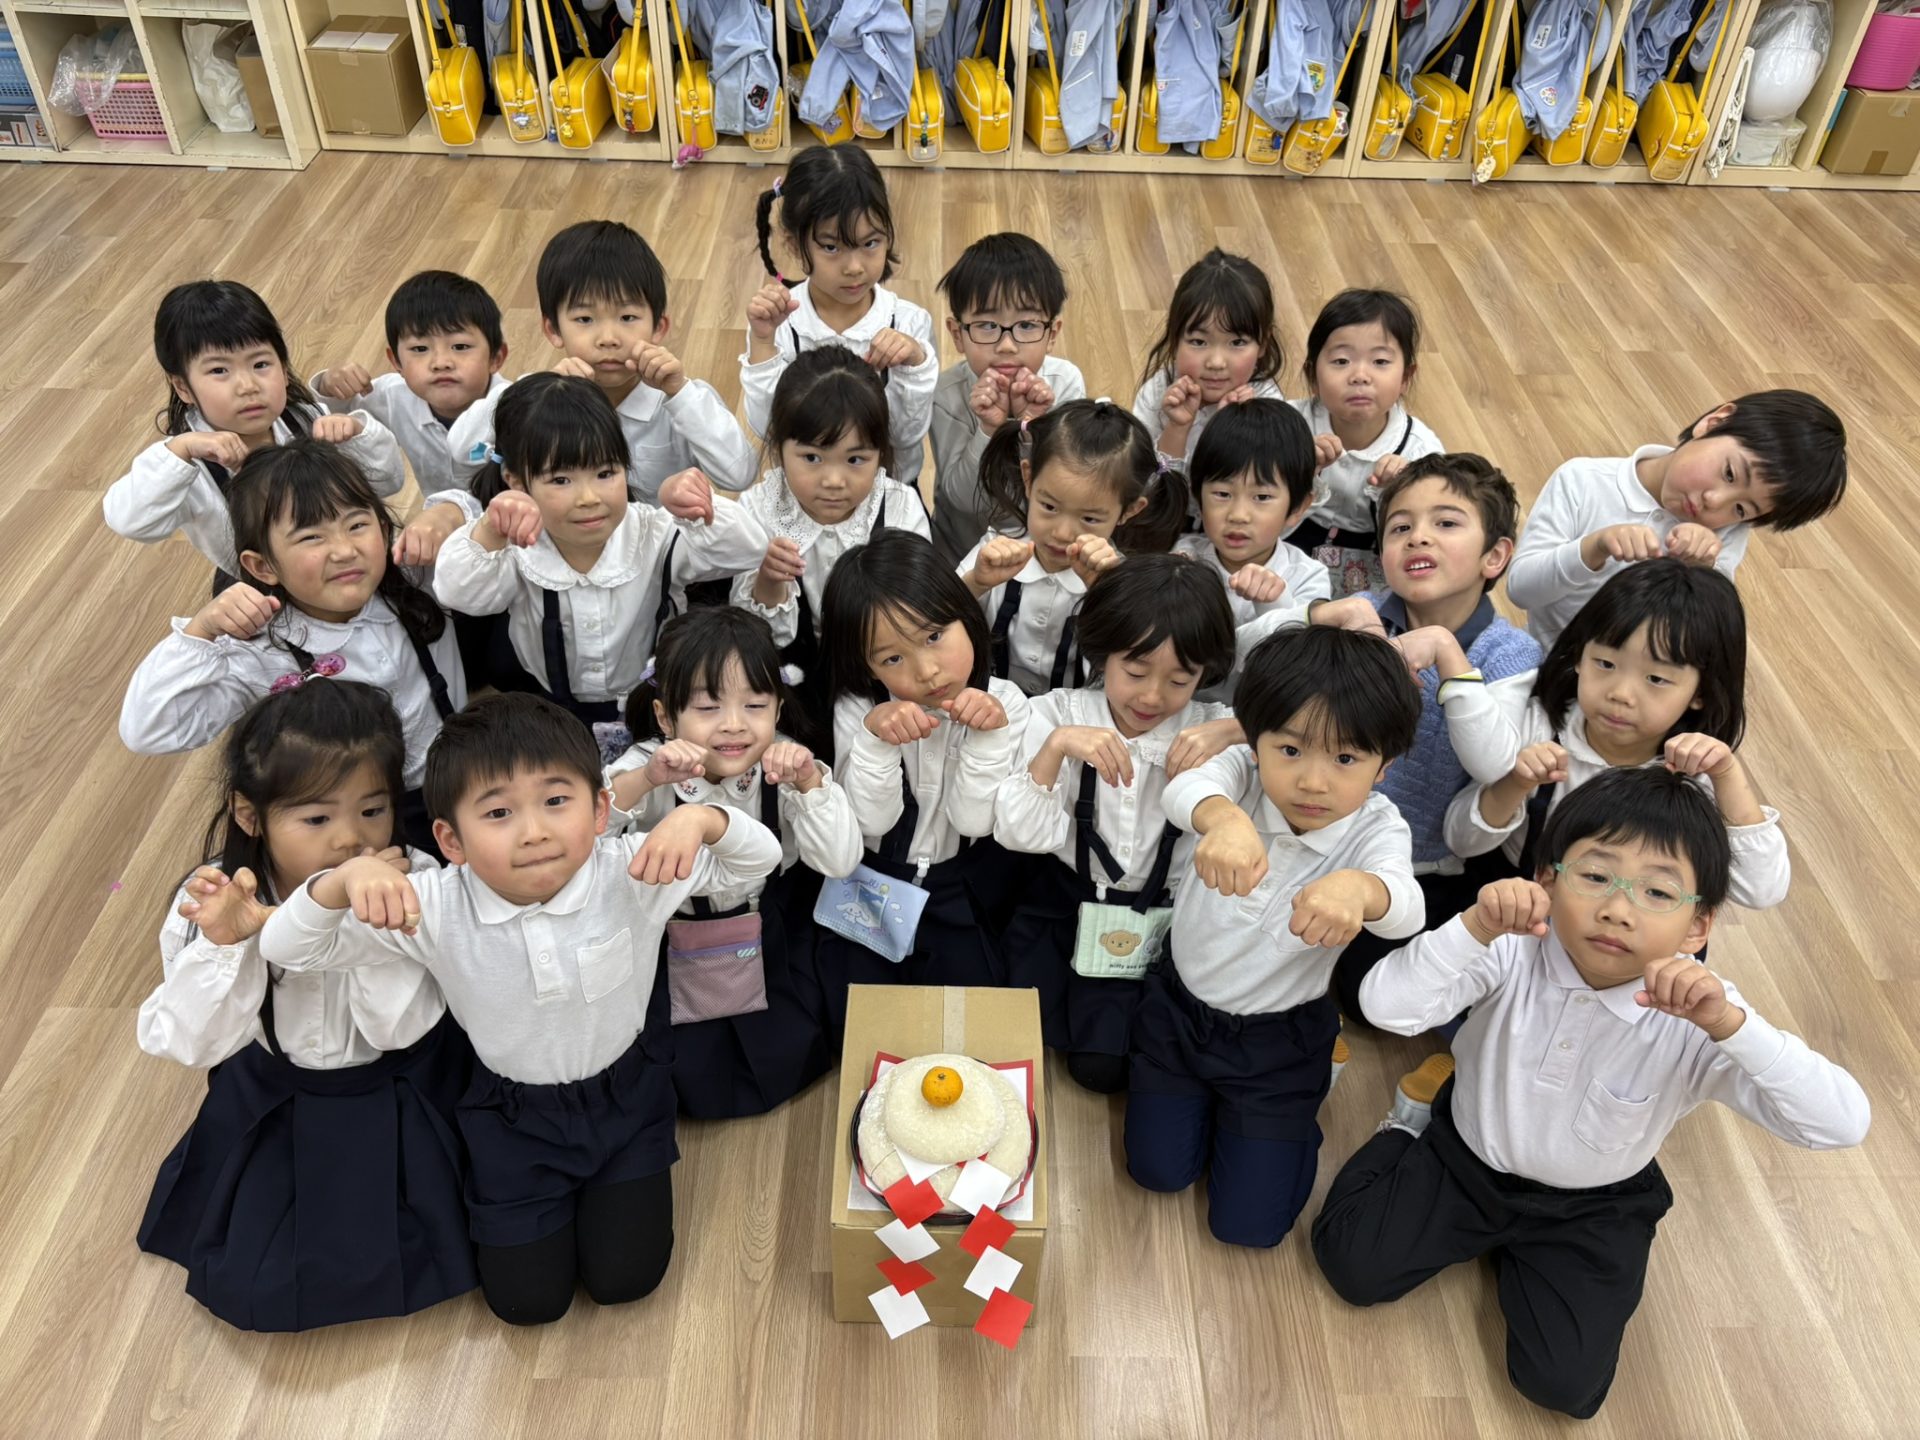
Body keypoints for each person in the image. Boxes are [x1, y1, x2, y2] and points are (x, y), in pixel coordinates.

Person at [1312, 767, 1869, 1419]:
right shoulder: (1512, 950)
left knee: (1564, 1389)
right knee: (1350, 1265)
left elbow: (1840, 1123)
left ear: (1698, 927)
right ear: (1547, 881)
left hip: (1595, 1205)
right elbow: (1385, 1007)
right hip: (1465, 1158)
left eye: (1657, 892)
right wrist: (1472, 928)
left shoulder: (1703, 1014)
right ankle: (1408, 1124)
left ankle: (1518, 1250)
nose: (1617, 908)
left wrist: (1734, 1028)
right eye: (1596, 876)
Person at [260, 692, 783, 1325]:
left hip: (627, 1100)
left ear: (599, 810)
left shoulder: (631, 869)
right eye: (499, 812)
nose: (534, 831)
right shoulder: (434, 904)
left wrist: (704, 821)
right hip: (513, 1120)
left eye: (556, 801)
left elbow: (760, 861)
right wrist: (339, 882)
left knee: (627, 1280)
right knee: (526, 1303)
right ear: (450, 839)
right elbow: (287, 947)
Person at [136, 680, 475, 1331]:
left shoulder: (419, 879)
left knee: (462, 1236)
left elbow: (399, 1029)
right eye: (317, 819)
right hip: (279, 1097)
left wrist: (365, 920)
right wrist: (227, 943)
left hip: (406, 1088)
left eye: (373, 810)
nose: (351, 839)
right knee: (257, 1283)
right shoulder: (214, 897)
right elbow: (191, 1042)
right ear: (249, 815)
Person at [1125, 624, 1423, 1247]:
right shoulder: (1243, 773)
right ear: (1255, 739)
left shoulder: (1375, 828)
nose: (1313, 781)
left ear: (1385, 767)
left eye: (1346, 759)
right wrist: (1224, 819)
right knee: (1156, 1173)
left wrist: (1361, 890)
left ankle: (1296, 1100)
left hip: (1277, 1045)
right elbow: (1185, 788)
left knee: (1250, 1228)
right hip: (1180, 1014)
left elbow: (1408, 908)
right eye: (1290, 749)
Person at [120, 440, 465, 856]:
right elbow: (148, 729)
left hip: (462, 779)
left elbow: (481, 515)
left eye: (357, 525)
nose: (345, 550)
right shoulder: (260, 650)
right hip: (361, 822)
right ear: (262, 566)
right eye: (312, 537)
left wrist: (448, 513)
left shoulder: (414, 575)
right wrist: (201, 630)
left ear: (382, 526)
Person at [995, 555, 1242, 1093]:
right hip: (1066, 902)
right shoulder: (1057, 713)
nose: (1152, 697)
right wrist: (1057, 748)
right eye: (1135, 672)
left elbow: (1300, 730)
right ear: (1102, 652)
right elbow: (1018, 836)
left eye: (1181, 680)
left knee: (1122, 1064)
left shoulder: (1213, 727)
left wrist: (1236, 730)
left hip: (1166, 917)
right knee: (1026, 1038)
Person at [1310, 453, 1542, 1024]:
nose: (1418, 537)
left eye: (1446, 522)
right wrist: (1324, 615)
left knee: (1368, 997)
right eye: (1400, 527)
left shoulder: (1510, 653)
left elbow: (1494, 764)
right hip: (1322, 834)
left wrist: (1446, 651)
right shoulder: (1363, 613)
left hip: (1422, 865)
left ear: (1495, 556)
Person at [607, 608, 860, 1118]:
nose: (734, 725)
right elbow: (590, 827)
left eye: (755, 705)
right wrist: (646, 779)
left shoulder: (785, 760)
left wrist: (809, 783)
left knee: (787, 1039)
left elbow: (839, 860)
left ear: (778, 708)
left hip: (769, 928)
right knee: (685, 1058)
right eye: (707, 707)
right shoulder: (646, 762)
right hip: (669, 934)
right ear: (665, 717)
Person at [433, 373, 765, 732]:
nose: (589, 498)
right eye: (561, 480)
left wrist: (695, 510)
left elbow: (747, 549)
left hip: (654, 701)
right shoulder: (515, 546)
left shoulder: (653, 532)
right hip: (548, 706)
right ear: (515, 481)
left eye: (605, 473)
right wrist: (489, 531)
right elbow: (458, 593)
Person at [815, 531, 1031, 1036]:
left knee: (968, 1023)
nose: (928, 670)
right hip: (869, 881)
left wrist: (989, 737)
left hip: (959, 882)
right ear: (865, 664)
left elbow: (974, 820)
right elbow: (870, 822)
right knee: (854, 1023)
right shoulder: (858, 707)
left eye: (935, 636)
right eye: (892, 659)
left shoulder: (1007, 703)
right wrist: (875, 740)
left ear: (966, 613)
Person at [106, 280, 407, 581]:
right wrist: (180, 450)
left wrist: (356, 433)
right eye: (219, 370)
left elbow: (388, 480)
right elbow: (131, 521)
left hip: (341, 564)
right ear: (183, 387)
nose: (247, 386)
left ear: (284, 369)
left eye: (261, 364)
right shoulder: (187, 465)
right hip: (260, 586)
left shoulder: (306, 420)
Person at [1506, 389, 1848, 649]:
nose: (1716, 502)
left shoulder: (1725, 535)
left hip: (1639, 688)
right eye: (1730, 474)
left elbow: (1701, 638)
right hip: (1548, 663)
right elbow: (1522, 590)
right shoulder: (1583, 480)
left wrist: (1700, 574)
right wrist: (1595, 547)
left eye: (1742, 509)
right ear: (1714, 422)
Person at [450, 220, 757, 500]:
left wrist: (681, 394)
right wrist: (524, 394)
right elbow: (463, 450)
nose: (608, 338)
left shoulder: (679, 401)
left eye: (627, 317)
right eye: (585, 318)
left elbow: (739, 475)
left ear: (658, 327)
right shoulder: (538, 400)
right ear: (553, 329)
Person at [961, 399, 1187, 696]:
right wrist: (976, 582)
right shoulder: (994, 550)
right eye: (1049, 506)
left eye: (1090, 518)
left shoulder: (1125, 580)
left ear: (1129, 511)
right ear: (1028, 479)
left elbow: (1132, 661)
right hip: (986, 702)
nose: (1063, 533)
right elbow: (937, 615)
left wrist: (1106, 592)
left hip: (1078, 714)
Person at [743, 148, 938, 488]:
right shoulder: (780, 325)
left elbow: (906, 436)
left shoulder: (909, 323)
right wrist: (762, 343)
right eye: (832, 247)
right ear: (794, 245)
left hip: (889, 498)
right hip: (807, 498)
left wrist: (915, 362)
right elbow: (769, 429)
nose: (854, 267)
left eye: (870, 243)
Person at [928, 233, 1086, 567]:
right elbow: (963, 500)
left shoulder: (1065, 383)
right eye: (987, 325)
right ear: (957, 334)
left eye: (1027, 325)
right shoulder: (945, 394)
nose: (1007, 345)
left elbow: (1070, 488)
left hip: (1043, 553)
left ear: (1052, 333)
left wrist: (1030, 428)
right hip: (961, 556)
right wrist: (989, 429)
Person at [1288, 289, 1442, 595]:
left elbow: (1429, 533)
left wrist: (1399, 493)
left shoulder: (1420, 449)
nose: (1360, 375)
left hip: (1374, 566)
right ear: (1312, 374)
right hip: (1288, 550)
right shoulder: (1289, 424)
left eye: (1380, 361)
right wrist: (1300, 471)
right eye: (1341, 361)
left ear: (1406, 377)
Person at [310, 269, 509, 491]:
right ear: (396, 361)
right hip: (437, 512)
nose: (441, 362)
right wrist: (329, 386)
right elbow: (333, 415)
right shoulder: (393, 395)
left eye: (460, 346)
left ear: (496, 357)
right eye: (420, 349)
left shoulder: (519, 409)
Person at [1131, 249, 1286, 474]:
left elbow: (1257, 488)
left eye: (1237, 342)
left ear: (1262, 344)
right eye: (1198, 342)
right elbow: (1148, 483)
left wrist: (1229, 429)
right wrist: (1177, 427)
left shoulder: (1268, 407)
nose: (1216, 362)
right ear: (1175, 339)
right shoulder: (1158, 393)